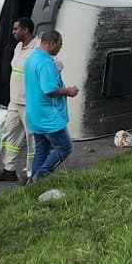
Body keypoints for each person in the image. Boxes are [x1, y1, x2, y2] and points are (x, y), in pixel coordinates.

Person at [0, 17, 39, 182]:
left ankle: (33, 174)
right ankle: (9, 170)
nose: (13, 32)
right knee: (9, 135)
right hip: (15, 101)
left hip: (30, 103)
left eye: (16, 29)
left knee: (33, 140)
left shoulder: (38, 48)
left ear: (26, 30)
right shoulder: (18, 47)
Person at [24, 30, 79, 182]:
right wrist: (68, 91)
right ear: (52, 43)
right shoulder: (45, 62)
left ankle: (33, 184)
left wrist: (56, 70)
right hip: (48, 116)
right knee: (65, 147)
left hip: (34, 114)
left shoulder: (32, 58)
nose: (60, 48)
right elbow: (49, 90)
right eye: (60, 45)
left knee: (42, 150)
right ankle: (40, 176)